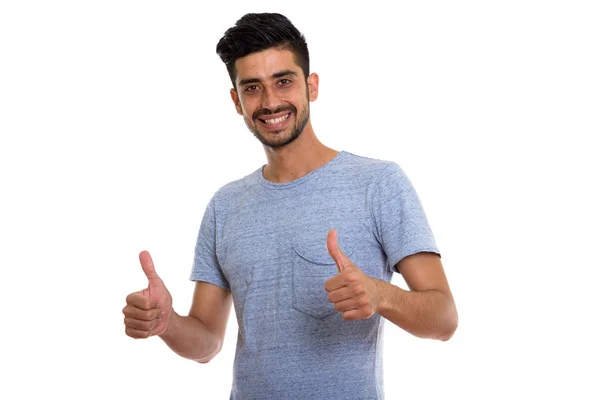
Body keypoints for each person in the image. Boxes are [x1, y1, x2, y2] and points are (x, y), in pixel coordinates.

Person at [123, 12, 458, 399]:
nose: (270, 102)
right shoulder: (225, 206)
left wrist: (381, 295)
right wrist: (167, 324)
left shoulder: (378, 184)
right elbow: (207, 341)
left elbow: (444, 319)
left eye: (283, 81)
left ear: (311, 86)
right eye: (252, 88)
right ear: (236, 101)